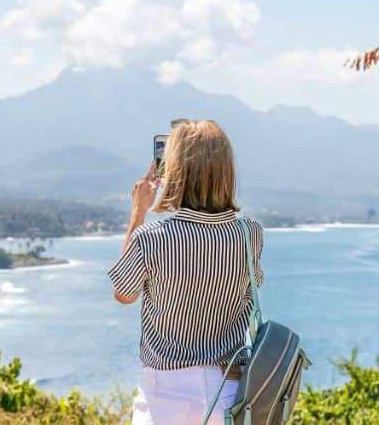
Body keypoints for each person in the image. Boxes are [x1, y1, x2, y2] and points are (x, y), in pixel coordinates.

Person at [108, 119, 264, 425]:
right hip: (229, 391)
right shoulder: (250, 234)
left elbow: (124, 293)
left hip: (166, 394)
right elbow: (250, 291)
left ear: (176, 172)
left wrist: (138, 211)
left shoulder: (153, 236)